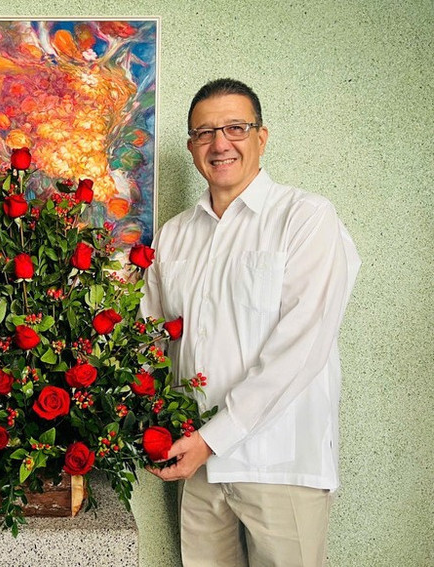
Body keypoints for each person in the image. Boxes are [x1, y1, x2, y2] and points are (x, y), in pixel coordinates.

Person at [141, 78, 360, 566]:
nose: (220, 143)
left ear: (262, 137)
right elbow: (151, 339)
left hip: (280, 464)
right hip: (196, 468)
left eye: (235, 127)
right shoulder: (174, 236)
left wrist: (211, 439)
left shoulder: (305, 218)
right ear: (192, 146)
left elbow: (300, 349)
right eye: (204, 132)